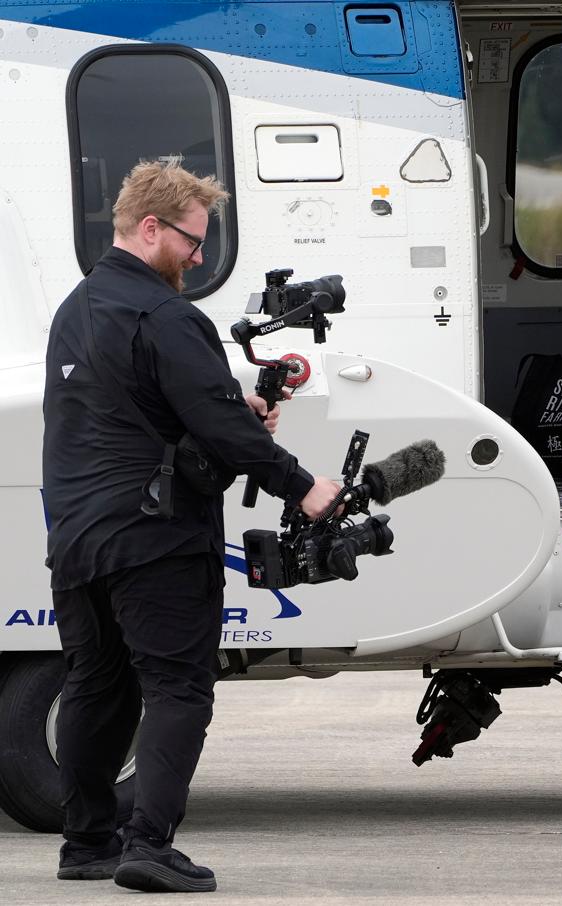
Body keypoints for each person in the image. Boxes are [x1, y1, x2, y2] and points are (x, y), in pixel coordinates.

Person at [43, 159, 341, 891]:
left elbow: (137, 414)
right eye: (191, 240)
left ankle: (86, 844)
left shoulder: (75, 308)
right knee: (178, 687)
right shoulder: (170, 316)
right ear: (150, 228)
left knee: (96, 683)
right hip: (157, 536)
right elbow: (215, 426)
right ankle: (149, 844)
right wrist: (302, 488)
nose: (199, 256)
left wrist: (232, 417)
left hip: (79, 538)